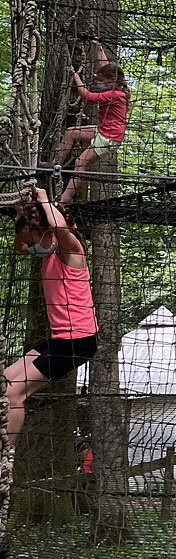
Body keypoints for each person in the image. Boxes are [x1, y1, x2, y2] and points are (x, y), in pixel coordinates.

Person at [4, 188, 98, 447]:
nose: (29, 245)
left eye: (33, 238)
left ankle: (5, 454)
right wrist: (22, 213)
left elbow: (60, 229)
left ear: (48, 233)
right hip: (60, 340)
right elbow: (20, 247)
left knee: (14, 392)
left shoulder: (72, 253)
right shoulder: (49, 254)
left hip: (78, 342)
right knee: (5, 382)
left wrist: (44, 200)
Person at [52, 39, 131, 204]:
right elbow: (106, 65)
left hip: (109, 138)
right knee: (71, 132)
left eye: (104, 80)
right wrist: (98, 47)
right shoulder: (114, 85)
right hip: (103, 130)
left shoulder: (114, 94)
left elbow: (87, 96)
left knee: (81, 162)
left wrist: (76, 77)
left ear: (112, 80)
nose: (101, 82)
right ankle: (55, 164)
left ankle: (63, 201)